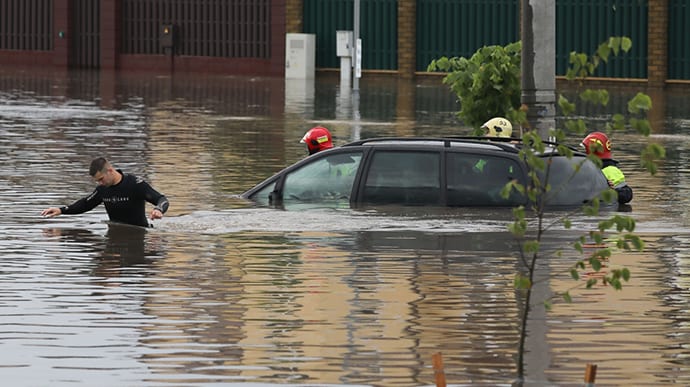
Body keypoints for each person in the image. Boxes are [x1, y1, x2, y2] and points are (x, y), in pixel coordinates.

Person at [41, 157, 169, 227]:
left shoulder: (135, 184)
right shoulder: (103, 189)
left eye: (101, 179)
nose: (100, 183)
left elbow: (162, 199)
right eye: (97, 181)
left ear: (110, 171)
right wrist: (61, 210)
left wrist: (158, 209)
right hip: (115, 232)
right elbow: (86, 204)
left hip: (139, 232)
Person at [581, 131, 633, 204]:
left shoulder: (610, 170)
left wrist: (610, 190)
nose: (584, 153)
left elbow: (627, 195)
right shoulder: (589, 168)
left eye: (585, 150)